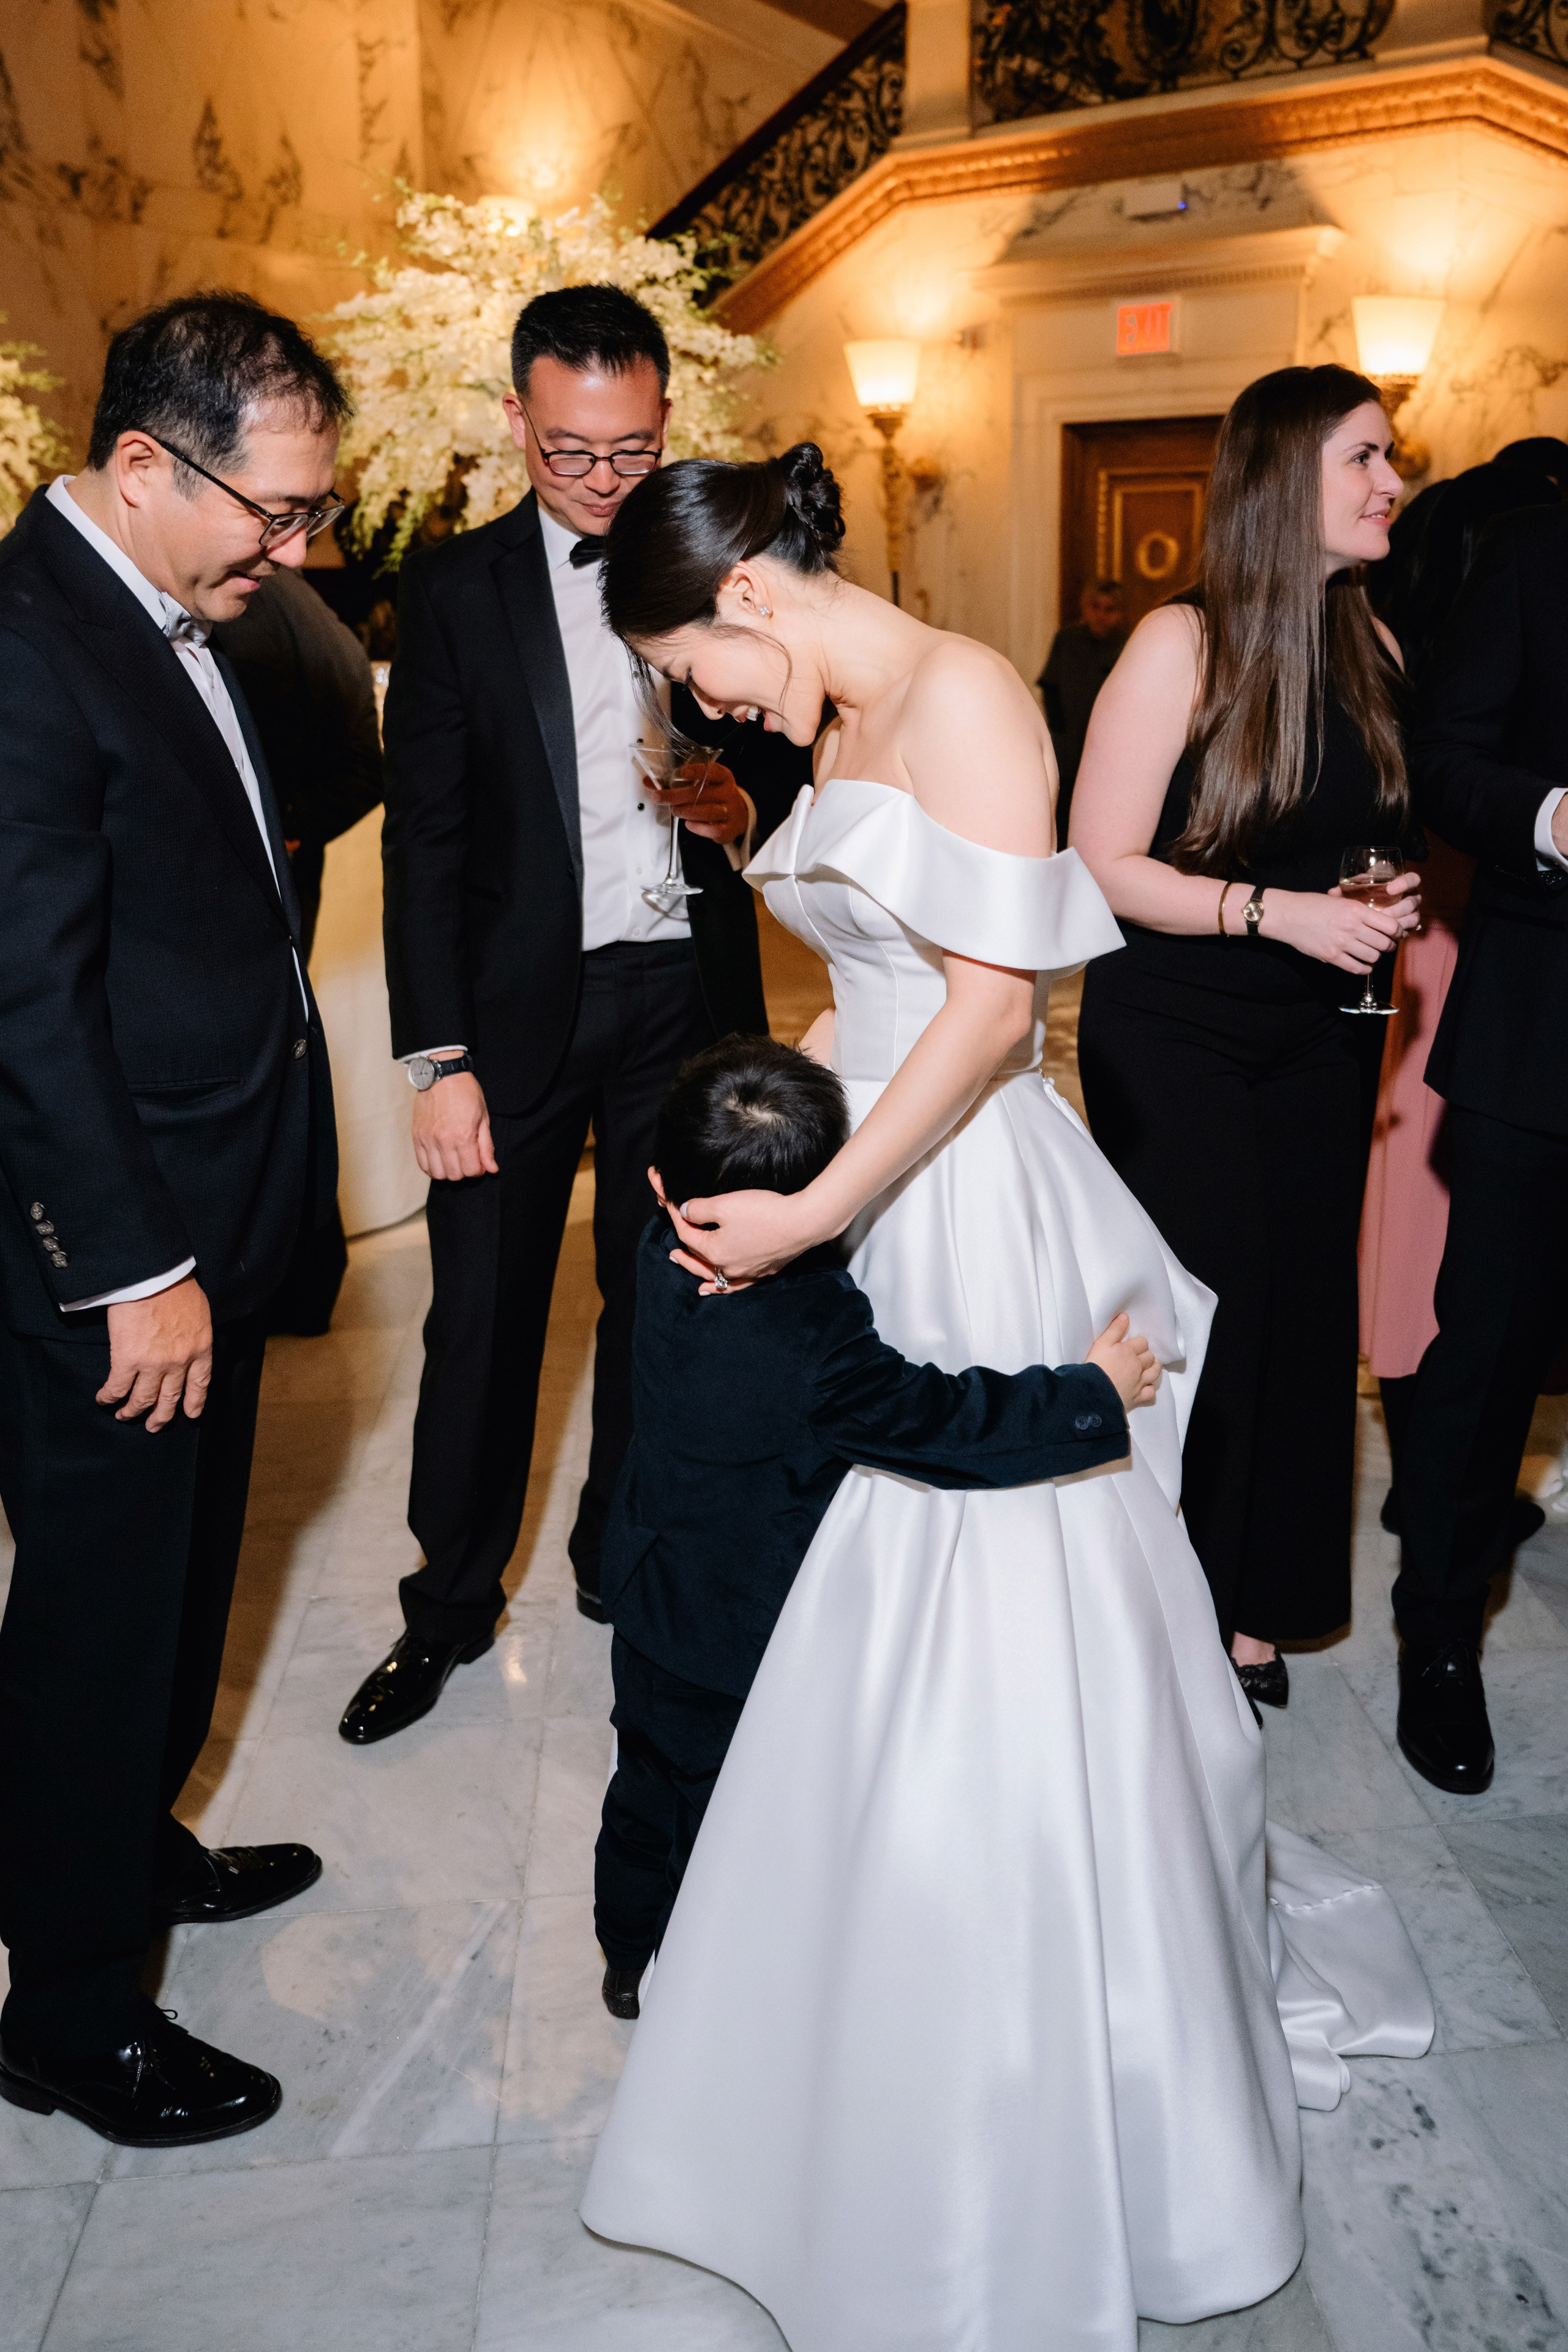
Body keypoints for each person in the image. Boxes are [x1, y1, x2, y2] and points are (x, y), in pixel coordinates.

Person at [577, 443, 1432, 2346]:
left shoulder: (964, 693)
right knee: (856, 1616)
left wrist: (810, 1207)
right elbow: (876, 993)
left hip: (952, 1187)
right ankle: (866, 2013)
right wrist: (768, 1118)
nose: (700, 704)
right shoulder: (850, 707)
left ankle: (1023, 2062)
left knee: (993, 1605)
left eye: (691, 668)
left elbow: (982, 1009)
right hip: (878, 1153)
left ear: (749, 597)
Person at [339, 284, 810, 1746]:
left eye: (624, 450)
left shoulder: (728, 567)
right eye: (566, 454)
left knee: (660, 1299)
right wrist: (437, 1058)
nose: (599, 482)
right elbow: (422, 840)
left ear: (665, 421)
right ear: (514, 425)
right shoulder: (461, 589)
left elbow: (800, 753)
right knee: (479, 1320)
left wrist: (747, 802)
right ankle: (446, 1603)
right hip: (512, 1014)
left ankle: (623, 1552)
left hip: (684, 996)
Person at [0, 293, 345, 2147]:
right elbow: (23, 999)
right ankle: (64, 2007)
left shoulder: (171, 601)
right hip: (117, 1239)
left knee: (174, 1585)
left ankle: (115, 1845)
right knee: (100, 1613)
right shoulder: (30, 642)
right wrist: (133, 1268)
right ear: (141, 467)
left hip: (215, 1193)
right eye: (272, 514)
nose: (290, 553)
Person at [595, 1033, 1152, 2018]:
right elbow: (944, 1420)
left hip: (647, 1588)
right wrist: (1089, 1395)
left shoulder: (652, 1249)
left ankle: (628, 1953)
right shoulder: (814, 1342)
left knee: (646, 1781)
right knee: (735, 1809)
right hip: (747, 1636)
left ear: (654, 1181)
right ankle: (708, 1982)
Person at [1069, 367, 1421, 1706]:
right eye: (1364, 460)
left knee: (1300, 1319)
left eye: (1390, 458)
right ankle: (1174, 1600)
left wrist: (1373, 896)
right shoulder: (1178, 642)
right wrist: (1275, 912)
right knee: (1209, 1314)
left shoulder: (1370, 644)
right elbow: (1099, 862)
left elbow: (1365, 835)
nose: (1390, 482)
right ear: (1287, 480)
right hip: (1177, 1035)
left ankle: (1258, 1609)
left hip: (1322, 1031)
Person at [1392, 496, 1568, 1793]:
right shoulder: (1539, 547)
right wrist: (1555, 816)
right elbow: (1441, 761)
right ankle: (1437, 1638)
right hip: (1541, 1018)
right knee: (1488, 1351)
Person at [214, 565, 384, 1336]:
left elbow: (363, 768)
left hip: (253, 888)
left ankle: (283, 1284)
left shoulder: (253, 606)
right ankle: (295, 1286)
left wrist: (280, 833)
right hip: (270, 877)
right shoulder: (295, 605)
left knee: (262, 1082)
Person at [1038, 575, 1126, 837]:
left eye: (1110, 609)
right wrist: (1059, 732)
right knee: (1062, 813)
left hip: (1108, 744)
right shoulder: (1067, 638)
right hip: (1068, 742)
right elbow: (1050, 685)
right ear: (1085, 607)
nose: (1101, 615)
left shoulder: (1127, 645)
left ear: (1120, 613)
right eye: (1095, 607)